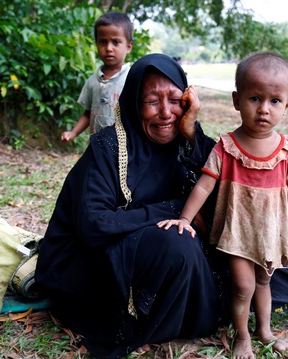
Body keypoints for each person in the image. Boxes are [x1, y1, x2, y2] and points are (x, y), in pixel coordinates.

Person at [35, 54, 229, 359]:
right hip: (92, 259)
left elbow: (222, 203)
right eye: (152, 101)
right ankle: (157, 322)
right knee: (179, 243)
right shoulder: (108, 146)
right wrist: (175, 210)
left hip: (144, 247)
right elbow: (94, 225)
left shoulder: (187, 142)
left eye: (176, 100)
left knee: (252, 258)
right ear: (134, 104)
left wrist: (192, 131)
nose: (166, 113)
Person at [158, 52, 288, 359]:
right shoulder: (226, 147)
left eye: (275, 101)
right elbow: (204, 185)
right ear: (237, 100)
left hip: (271, 233)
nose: (264, 109)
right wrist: (185, 218)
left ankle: (264, 330)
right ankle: (242, 336)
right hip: (237, 232)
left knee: (264, 281)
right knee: (243, 285)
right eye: (254, 98)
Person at [60, 12, 134, 143]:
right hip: (97, 146)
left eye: (116, 42)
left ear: (128, 47)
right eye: (103, 42)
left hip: (124, 147)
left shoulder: (132, 78)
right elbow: (88, 113)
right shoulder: (93, 81)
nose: (108, 48)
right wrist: (73, 132)